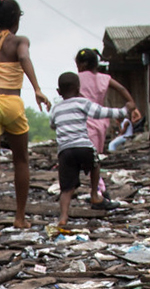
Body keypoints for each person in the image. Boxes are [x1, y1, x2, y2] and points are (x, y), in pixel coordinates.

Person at [0, 0, 50, 239]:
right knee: (21, 161)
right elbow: (24, 57)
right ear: (17, 20)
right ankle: (19, 217)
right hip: (12, 103)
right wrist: (36, 88)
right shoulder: (20, 41)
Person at [49, 72, 130, 226]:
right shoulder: (83, 102)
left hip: (65, 151)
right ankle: (94, 193)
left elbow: (52, 125)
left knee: (66, 188)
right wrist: (125, 111)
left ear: (58, 92)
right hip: (83, 146)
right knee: (95, 164)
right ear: (79, 88)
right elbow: (102, 112)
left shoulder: (56, 109)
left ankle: (63, 217)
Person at [74, 48, 141, 205]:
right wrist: (133, 106)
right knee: (93, 158)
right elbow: (122, 89)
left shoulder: (77, 79)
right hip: (101, 121)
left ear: (81, 65)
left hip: (83, 121)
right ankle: (99, 190)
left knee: (86, 159)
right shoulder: (104, 78)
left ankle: (99, 191)